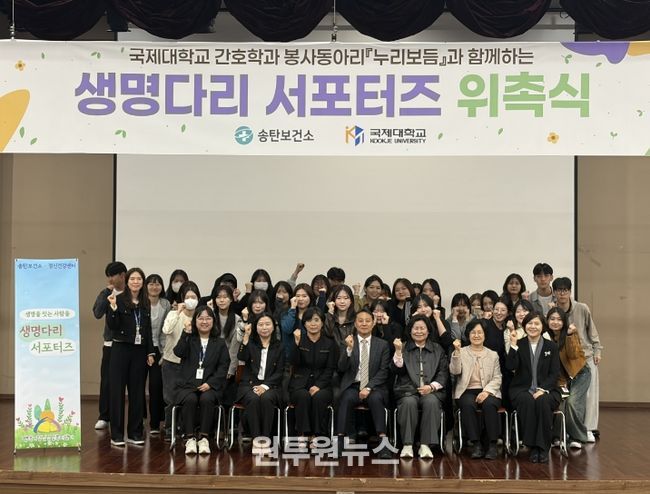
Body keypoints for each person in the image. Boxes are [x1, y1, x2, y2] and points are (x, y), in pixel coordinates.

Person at [106, 267, 156, 446]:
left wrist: (150, 351)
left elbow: (147, 329)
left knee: (137, 392)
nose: (136, 282)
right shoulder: (117, 299)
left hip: (139, 351)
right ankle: (117, 435)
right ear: (127, 281)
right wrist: (112, 308)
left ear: (143, 282)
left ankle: (135, 433)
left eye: (139, 279)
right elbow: (112, 326)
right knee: (117, 392)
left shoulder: (145, 302)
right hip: (120, 349)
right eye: (132, 279)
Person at [336, 309, 392, 459]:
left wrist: (368, 387)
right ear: (355, 324)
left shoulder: (382, 345)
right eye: (360, 320)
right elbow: (341, 368)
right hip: (353, 385)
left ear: (373, 323)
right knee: (346, 398)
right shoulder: (348, 342)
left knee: (376, 399)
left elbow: (383, 371)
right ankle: (339, 441)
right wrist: (348, 349)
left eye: (368, 320)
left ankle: (383, 443)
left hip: (375, 387)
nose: (364, 323)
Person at [174, 305, 230, 455]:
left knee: (207, 399)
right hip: (188, 385)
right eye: (201, 318)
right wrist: (185, 333)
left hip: (210, 386)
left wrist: (210, 383)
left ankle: (204, 438)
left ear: (213, 321)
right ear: (195, 321)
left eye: (208, 318)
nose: (204, 322)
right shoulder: (189, 338)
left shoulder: (219, 343)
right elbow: (178, 352)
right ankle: (190, 438)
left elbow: (224, 366)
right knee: (190, 399)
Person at [552, 277, 602, 442]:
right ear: (554, 292)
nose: (562, 293)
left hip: (585, 357)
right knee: (570, 399)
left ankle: (589, 429)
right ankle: (570, 431)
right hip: (565, 361)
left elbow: (592, 331)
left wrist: (597, 350)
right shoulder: (553, 312)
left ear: (570, 291)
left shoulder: (582, 308)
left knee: (588, 397)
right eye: (559, 290)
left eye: (565, 290)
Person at [391, 315, 448, 459]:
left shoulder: (437, 349)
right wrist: (398, 352)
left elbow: (443, 372)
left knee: (431, 402)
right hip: (407, 390)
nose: (419, 331)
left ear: (428, 331)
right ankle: (407, 445)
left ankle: (425, 445)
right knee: (408, 402)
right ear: (410, 331)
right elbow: (397, 370)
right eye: (415, 328)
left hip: (431, 391)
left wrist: (431, 387)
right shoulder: (403, 347)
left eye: (422, 328)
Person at [506, 312, 561, 463]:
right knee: (527, 401)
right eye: (530, 323)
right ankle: (531, 446)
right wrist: (513, 345)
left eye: (537, 323)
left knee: (543, 402)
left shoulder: (551, 346)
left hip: (547, 389)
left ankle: (542, 447)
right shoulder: (519, 343)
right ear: (524, 326)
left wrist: (542, 389)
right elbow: (510, 366)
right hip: (522, 389)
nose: (533, 326)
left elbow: (554, 373)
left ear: (543, 326)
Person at [449, 319, 502, 460]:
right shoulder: (461, 351)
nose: (476, 335)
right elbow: (455, 371)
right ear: (468, 334)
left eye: (480, 332)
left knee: (489, 404)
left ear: (485, 335)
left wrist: (487, 391)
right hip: (466, 390)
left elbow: (497, 377)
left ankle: (492, 444)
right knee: (467, 404)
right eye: (473, 332)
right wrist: (456, 353)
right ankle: (476, 443)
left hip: (489, 390)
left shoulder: (493, 354)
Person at [288, 307, 337, 446]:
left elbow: (330, 368)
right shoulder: (299, 339)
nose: (313, 324)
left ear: (322, 323)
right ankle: (302, 434)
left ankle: (317, 435)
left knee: (319, 397)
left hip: (323, 385)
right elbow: (293, 362)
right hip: (299, 384)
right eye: (309, 320)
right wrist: (296, 344)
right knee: (303, 396)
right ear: (304, 323)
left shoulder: (330, 343)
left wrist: (319, 386)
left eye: (316, 320)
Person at [236, 312, 285, 450]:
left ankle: (266, 439)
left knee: (266, 398)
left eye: (267, 324)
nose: (264, 327)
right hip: (249, 384)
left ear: (273, 327)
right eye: (261, 324)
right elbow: (242, 357)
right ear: (255, 327)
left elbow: (280, 372)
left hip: (271, 386)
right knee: (253, 398)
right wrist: (246, 337)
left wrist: (264, 386)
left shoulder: (279, 346)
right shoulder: (251, 343)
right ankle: (257, 440)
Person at [160, 281, 201, 440]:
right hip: (171, 361)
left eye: (194, 297)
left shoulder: (200, 316)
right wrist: (177, 312)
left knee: (188, 398)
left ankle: (186, 428)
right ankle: (170, 428)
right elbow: (166, 330)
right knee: (170, 398)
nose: (191, 300)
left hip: (191, 364)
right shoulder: (173, 313)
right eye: (188, 297)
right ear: (182, 298)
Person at [547, 307, 590, 449]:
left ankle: (577, 437)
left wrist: (570, 335)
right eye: (552, 319)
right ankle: (558, 436)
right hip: (562, 379)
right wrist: (561, 383)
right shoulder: (546, 336)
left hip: (580, 374)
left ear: (564, 322)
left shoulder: (570, 333)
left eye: (559, 319)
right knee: (560, 404)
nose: (555, 322)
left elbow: (573, 355)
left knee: (572, 402)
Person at [92, 260, 127, 430]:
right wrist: (107, 294)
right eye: (108, 276)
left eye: (112, 275)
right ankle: (104, 416)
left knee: (130, 382)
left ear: (122, 275)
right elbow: (97, 313)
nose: (110, 279)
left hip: (128, 344)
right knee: (106, 381)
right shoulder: (106, 293)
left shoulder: (132, 293)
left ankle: (135, 418)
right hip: (110, 344)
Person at [145, 273, 171, 434]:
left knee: (156, 385)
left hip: (159, 348)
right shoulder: (141, 302)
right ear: (146, 286)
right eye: (151, 284)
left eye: (158, 284)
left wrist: (164, 352)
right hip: (141, 347)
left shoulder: (165, 304)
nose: (154, 287)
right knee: (137, 385)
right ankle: (140, 419)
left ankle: (155, 423)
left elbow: (166, 330)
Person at [324, 284, 356, 350]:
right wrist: (330, 313)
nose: (342, 301)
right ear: (333, 300)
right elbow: (328, 333)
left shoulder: (356, 318)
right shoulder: (327, 317)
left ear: (351, 301)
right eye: (338, 298)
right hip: (332, 353)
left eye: (346, 298)